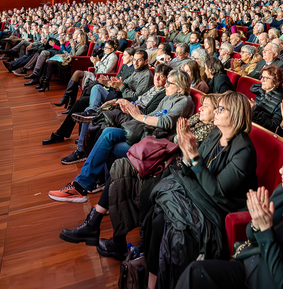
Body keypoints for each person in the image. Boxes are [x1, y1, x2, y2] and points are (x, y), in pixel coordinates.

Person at [60, 93, 221, 259]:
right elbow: (171, 135)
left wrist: (179, 140)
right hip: (163, 153)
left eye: (206, 106)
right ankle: (95, 221)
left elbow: (189, 155)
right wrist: (178, 137)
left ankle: (111, 236)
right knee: (120, 164)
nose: (200, 108)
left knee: (121, 164)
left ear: (217, 112)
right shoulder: (196, 119)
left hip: (173, 168)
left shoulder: (209, 129)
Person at [176, 138, 283, 289]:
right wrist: (256, 223)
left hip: (265, 282)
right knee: (194, 271)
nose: (282, 170)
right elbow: (251, 236)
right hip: (249, 266)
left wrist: (266, 229)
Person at [141, 91, 257, 288]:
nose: (216, 112)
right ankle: (152, 279)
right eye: (217, 108)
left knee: (176, 232)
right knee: (159, 214)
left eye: (221, 109)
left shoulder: (244, 150)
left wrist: (194, 157)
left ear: (235, 114)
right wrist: (187, 154)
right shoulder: (215, 133)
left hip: (217, 208)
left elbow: (217, 191)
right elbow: (192, 168)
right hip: (197, 193)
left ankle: (167, 281)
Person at [48, 70, 193, 203]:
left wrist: (139, 116)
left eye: (169, 83)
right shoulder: (168, 97)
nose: (165, 85)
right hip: (142, 131)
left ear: (180, 88)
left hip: (152, 142)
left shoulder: (184, 101)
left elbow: (165, 122)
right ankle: (85, 186)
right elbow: (151, 114)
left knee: (109, 147)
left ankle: (95, 190)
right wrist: (132, 111)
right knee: (108, 132)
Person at [53, 40, 119, 109]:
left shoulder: (113, 57)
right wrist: (95, 63)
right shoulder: (107, 55)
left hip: (101, 77)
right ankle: (67, 101)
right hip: (96, 73)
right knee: (77, 73)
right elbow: (98, 68)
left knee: (77, 77)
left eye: (106, 48)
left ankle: (68, 102)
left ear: (112, 49)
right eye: (104, 47)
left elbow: (106, 71)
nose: (104, 49)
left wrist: (97, 62)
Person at [250, 65, 283, 134]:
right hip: (253, 127)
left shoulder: (281, 100)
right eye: (262, 77)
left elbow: (274, 126)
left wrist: (254, 110)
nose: (261, 80)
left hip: (262, 134)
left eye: (265, 78)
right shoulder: (262, 91)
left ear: (275, 81)